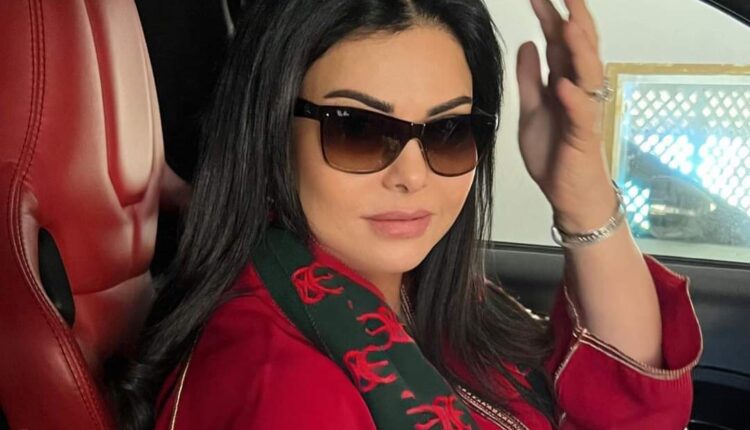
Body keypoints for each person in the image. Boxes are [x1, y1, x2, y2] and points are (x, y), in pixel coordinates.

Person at [112, 0, 702, 428]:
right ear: (270, 132)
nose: (412, 175)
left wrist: (582, 192)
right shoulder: (283, 388)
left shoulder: (429, 292)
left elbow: (632, 407)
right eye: (358, 129)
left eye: (448, 131)